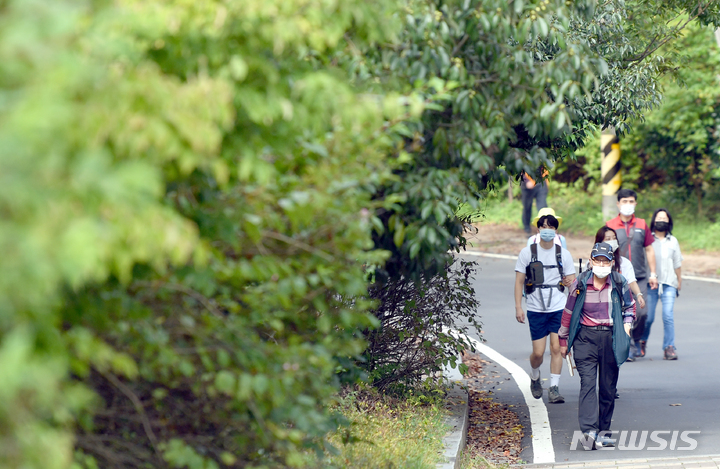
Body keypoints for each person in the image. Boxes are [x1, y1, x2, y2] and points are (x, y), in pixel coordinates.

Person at [559, 243, 636, 450]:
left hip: (611, 338)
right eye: (598, 260)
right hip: (585, 339)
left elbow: (630, 307)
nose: (601, 264)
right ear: (591, 261)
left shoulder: (619, 281)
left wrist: (627, 327)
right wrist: (563, 340)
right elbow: (568, 312)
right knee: (588, 385)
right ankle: (589, 432)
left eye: (606, 261)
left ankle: (604, 431)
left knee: (608, 388)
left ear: (611, 263)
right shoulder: (581, 282)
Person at [515, 213, 576, 403]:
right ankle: (535, 376)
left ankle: (554, 388)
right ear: (538, 229)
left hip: (558, 307)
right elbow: (519, 282)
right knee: (538, 353)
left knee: (557, 348)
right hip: (535, 307)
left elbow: (573, 281)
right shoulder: (528, 253)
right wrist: (519, 307)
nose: (547, 230)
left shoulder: (563, 254)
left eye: (551, 227)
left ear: (556, 231)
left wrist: (569, 282)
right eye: (543, 226)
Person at [606, 189, 658, 360]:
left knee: (642, 313)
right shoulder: (610, 225)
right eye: (624, 201)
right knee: (621, 313)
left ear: (635, 203)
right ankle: (625, 346)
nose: (628, 205)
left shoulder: (642, 224)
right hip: (617, 277)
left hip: (640, 276)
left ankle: (637, 339)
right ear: (618, 203)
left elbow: (649, 249)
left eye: (631, 201)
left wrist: (653, 274)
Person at [641, 209, 683, 360]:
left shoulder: (673, 241)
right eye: (659, 218)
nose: (661, 221)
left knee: (668, 315)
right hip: (650, 284)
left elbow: (677, 263)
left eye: (664, 218)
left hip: (669, 283)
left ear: (669, 222)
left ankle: (669, 347)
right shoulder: (647, 239)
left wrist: (679, 281)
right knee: (648, 317)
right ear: (653, 220)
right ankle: (642, 340)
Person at [593, 226, 646, 310]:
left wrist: (639, 294)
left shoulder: (624, 262)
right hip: (598, 303)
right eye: (608, 239)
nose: (612, 241)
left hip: (619, 304)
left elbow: (632, 281)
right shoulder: (593, 263)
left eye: (614, 238)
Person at [521, 168, 549, 234]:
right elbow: (519, 169)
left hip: (540, 181)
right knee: (527, 206)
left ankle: (545, 227)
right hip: (527, 183)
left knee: (543, 207)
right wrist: (526, 181)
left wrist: (546, 184)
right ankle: (527, 228)